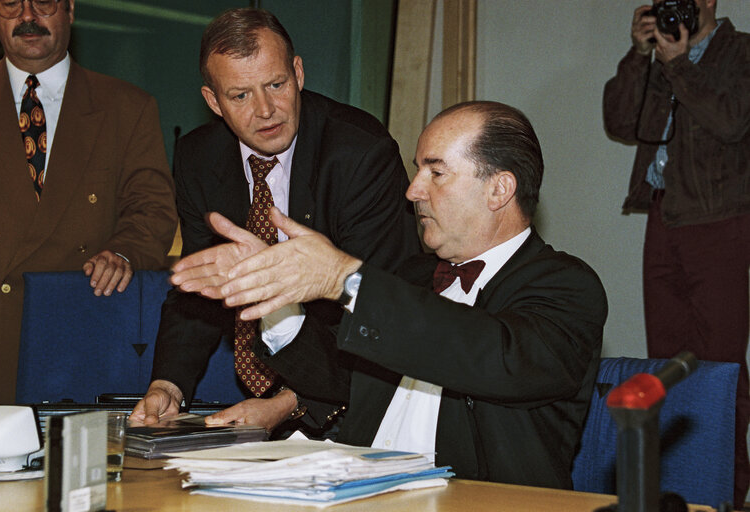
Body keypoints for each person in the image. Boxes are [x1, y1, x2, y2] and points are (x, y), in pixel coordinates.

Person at [168, 101, 608, 489]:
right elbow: (337, 383)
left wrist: (345, 279)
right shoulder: (411, 278)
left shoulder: (566, 286)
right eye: (418, 171)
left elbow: (492, 355)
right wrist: (275, 295)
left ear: (499, 189)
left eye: (436, 172)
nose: (414, 190)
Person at [130, 8, 419, 433]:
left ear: (298, 73)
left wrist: (291, 403)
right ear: (213, 101)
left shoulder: (360, 154)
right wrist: (168, 384)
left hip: (355, 401)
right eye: (240, 95)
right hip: (252, 394)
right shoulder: (197, 157)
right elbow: (199, 289)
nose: (265, 110)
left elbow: (380, 311)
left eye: (276, 85)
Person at [0, 0, 177, 404]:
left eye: (43, 2)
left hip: (79, 333)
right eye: (10, 3)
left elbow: (153, 211)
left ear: (70, 10)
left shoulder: (127, 107)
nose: (27, 16)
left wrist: (124, 253)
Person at [602, 1, 749, 506]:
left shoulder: (741, 52)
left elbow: (732, 122)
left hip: (720, 218)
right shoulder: (661, 54)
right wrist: (638, 53)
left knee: (722, 366)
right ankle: (678, 489)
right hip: (663, 215)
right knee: (666, 363)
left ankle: (726, 494)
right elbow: (621, 121)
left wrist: (679, 62)